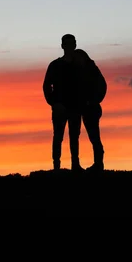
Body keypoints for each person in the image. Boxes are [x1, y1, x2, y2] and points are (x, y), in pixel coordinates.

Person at [43, 34, 84, 171]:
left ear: (75, 45)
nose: (69, 47)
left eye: (71, 44)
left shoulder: (80, 66)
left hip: (75, 107)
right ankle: (56, 167)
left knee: (74, 137)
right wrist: (54, 103)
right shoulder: (55, 65)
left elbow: (87, 84)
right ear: (62, 46)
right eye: (66, 44)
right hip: (59, 108)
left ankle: (75, 165)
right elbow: (46, 86)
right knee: (58, 137)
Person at [73, 49, 107, 172]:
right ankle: (83, 164)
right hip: (81, 107)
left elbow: (102, 87)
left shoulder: (92, 69)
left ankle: (98, 164)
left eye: (78, 57)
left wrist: (92, 101)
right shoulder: (78, 70)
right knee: (79, 135)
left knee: (94, 137)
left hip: (91, 108)